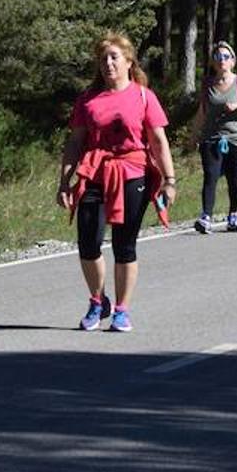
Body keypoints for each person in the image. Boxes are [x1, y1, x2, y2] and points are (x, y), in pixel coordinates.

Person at [57, 33, 174, 333]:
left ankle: (122, 310)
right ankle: (98, 301)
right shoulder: (88, 99)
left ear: (129, 61)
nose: (108, 64)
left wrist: (169, 180)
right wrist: (64, 182)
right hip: (94, 171)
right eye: (103, 59)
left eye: (114, 57)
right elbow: (75, 142)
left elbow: (158, 141)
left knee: (125, 245)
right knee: (88, 243)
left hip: (132, 172)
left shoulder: (144, 96)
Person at [192, 41, 237, 233]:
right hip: (211, 137)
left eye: (226, 57)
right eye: (218, 57)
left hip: (236, 138)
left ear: (233, 61)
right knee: (210, 176)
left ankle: (233, 214)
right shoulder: (207, 84)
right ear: (213, 62)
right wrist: (194, 134)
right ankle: (206, 217)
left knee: (232, 178)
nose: (222, 60)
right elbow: (202, 111)